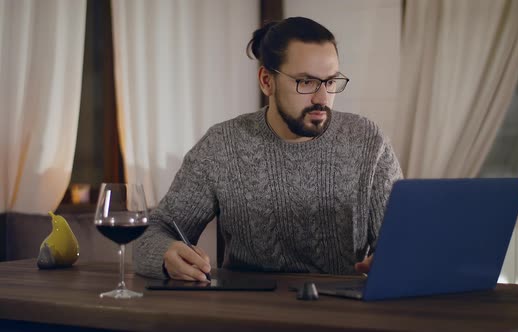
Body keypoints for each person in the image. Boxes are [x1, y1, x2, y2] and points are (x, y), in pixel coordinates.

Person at [133, 17, 403, 281]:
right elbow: (152, 235)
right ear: (266, 81)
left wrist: (394, 256)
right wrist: (166, 254)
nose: (322, 98)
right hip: (250, 310)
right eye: (306, 82)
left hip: (346, 310)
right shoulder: (222, 144)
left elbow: (404, 237)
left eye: (330, 82)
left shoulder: (368, 141)